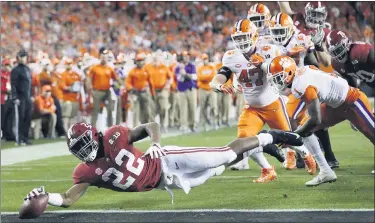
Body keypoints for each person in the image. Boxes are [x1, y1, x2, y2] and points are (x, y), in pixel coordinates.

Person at [24, 121, 303, 209]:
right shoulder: (84, 172)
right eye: (79, 150)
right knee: (220, 167)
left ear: (95, 136)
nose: (85, 152)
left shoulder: (114, 137)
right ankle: (261, 145)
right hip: (168, 182)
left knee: (222, 155)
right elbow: (70, 198)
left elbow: (150, 125)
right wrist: (48, 198)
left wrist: (156, 142)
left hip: (166, 159)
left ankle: (271, 135)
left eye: (86, 144)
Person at [210, 19, 295, 183]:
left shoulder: (270, 50)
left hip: (273, 103)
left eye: (245, 37)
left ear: (254, 35)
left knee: (290, 139)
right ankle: (267, 169)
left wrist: (263, 63)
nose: (242, 41)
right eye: (238, 38)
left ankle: (307, 157)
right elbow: (218, 78)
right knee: (245, 141)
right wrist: (218, 85)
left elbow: (280, 72)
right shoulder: (230, 57)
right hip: (251, 107)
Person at [267, 55, 375, 185]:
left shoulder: (300, 85)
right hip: (335, 105)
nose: (277, 82)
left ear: (289, 72)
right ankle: (326, 171)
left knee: (372, 134)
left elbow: (316, 119)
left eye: (278, 78)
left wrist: (294, 136)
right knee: (305, 128)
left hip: (353, 100)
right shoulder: (303, 71)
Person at [278, 1, 339, 169]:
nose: (316, 18)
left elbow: (326, 60)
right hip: (288, 75)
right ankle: (305, 155)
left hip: (307, 75)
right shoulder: (296, 19)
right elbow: (284, 8)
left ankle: (328, 155)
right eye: (314, 13)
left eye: (320, 15)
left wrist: (319, 45)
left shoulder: (321, 31)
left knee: (313, 117)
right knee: (294, 118)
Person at [87, 50, 121, 128]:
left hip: (107, 91)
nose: (103, 59)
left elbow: (116, 78)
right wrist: (90, 88)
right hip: (97, 91)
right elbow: (89, 78)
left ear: (107, 59)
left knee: (110, 109)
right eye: (102, 57)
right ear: (99, 58)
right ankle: (93, 128)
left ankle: (110, 128)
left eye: (105, 58)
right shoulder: (94, 68)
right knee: (95, 109)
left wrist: (120, 84)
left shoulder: (110, 68)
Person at [146, 52, 172, 132]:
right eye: (154, 58)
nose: (155, 60)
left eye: (157, 58)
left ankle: (164, 125)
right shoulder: (148, 67)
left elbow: (170, 78)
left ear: (160, 60)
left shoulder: (164, 67)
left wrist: (168, 85)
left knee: (163, 108)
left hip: (162, 90)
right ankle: (153, 128)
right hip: (151, 90)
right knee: (152, 110)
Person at [10, 50, 32, 145]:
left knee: (27, 117)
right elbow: (13, 84)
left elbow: (29, 84)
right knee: (20, 118)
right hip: (20, 97)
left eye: (24, 57)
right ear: (18, 58)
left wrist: (31, 96)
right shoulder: (15, 70)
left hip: (27, 96)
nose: (22, 59)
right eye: (21, 57)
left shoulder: (27, 69)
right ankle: (19, 139)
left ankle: (25, 138)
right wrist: (15, 97)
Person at [126, 53, 153, 126]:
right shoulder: (132, 71)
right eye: (139, 61)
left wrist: (153, 94)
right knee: (135, 111)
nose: (140, 62)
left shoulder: (146, 70)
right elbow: (127, 82)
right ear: (136, 62)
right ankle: (135, 128)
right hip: (135, 93)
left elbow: (151, 82)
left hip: (144, 93)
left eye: (141, 60)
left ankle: (146, 126)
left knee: (147, 111)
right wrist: (131, 88)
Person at [175, 51, 198, 133]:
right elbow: (179, 79)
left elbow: (194, 77)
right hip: (181, 90)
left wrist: (185, 74)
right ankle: (184, 125)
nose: (186, 57)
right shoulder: (178, 67)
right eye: (184, 56)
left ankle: (193, 125)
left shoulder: (191, 65)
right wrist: (184, 74)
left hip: (191, 89)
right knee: (183, 109)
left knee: (192, 108)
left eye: (187, 56)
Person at [197, 54, 218, 131]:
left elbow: (213, 76)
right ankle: (204, 124)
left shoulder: (212, 67)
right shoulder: (200, 68)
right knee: (203, 107)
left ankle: (214, 122)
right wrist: (208, 77)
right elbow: (200, 77)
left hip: (211, 89)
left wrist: (205, 77)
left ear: (208, 59)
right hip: (202, 89)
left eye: (206, 58)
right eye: (203, 59)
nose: (205, 60)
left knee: (213, 107)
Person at [60, 59, 82, 131]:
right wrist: (72, 87)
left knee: (73, 117)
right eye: (67, 64)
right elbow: (63, 87)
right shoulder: (63, 74)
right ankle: (65, 131)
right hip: (67, 99)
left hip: (75, 98)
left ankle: (72, 131)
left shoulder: (76, 74)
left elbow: (80, 84)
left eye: (70, 64)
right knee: (66, 116)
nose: (68, 65)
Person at [1, 59, 14, 140]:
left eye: (8, 65)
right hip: (2, 98)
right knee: (3, 118)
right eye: (6, 65)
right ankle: (4, 134)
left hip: (10, 98)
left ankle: (9, 134)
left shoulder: (11, 74)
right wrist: (6, 90)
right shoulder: (1, 74)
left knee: (10, 117)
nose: (7, 67)